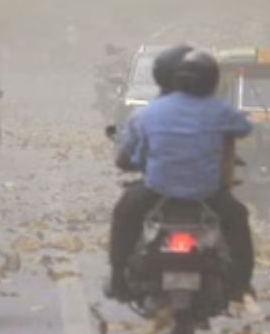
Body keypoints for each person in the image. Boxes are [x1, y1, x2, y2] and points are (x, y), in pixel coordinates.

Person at [107, 50, 256, 302]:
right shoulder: (220, 111)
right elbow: (244, 127)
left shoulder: (148, 113)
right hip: (208, 194)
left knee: (124, 214)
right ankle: (242, 285)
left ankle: (118, 279)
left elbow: (125, 157)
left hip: (157, 191)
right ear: (213, 81)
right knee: (237, 219)